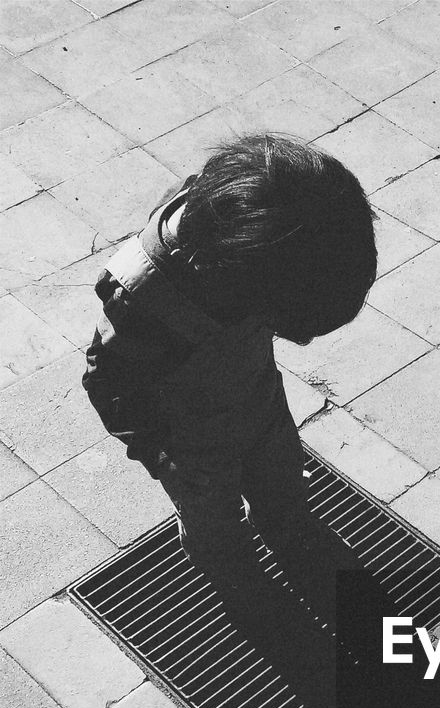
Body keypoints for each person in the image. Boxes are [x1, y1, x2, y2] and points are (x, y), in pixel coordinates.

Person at [82, 133, 379, 650]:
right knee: (217, 528)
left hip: (259, 404)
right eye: (287, 324)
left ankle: (290, 531)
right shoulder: (149, 302)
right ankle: (243, 586)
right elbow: (107, 379)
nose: (299, 337)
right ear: (234, 278)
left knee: (283, 492)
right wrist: (155, 451)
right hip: (192, 444)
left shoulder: (243, 234)